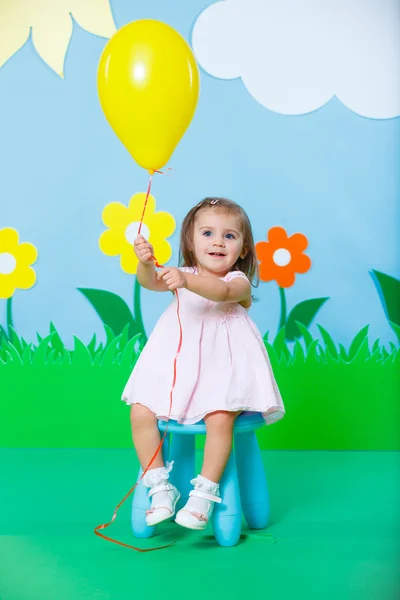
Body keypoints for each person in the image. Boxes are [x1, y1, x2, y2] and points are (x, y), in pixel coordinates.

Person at [122, 197, 285, 531]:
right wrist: (144, 264)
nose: (217, 242)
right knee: (140, 411)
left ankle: (204, 495)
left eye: (229, 236)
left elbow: (220, 293)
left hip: (224, 374)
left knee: (220, 417)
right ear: (191, 243)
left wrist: (185, 281)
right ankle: (159, 486)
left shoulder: (238, 282)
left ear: (242, 248)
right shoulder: (182, 274)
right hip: (179, 372)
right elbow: (149, 282)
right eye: (208, 233)